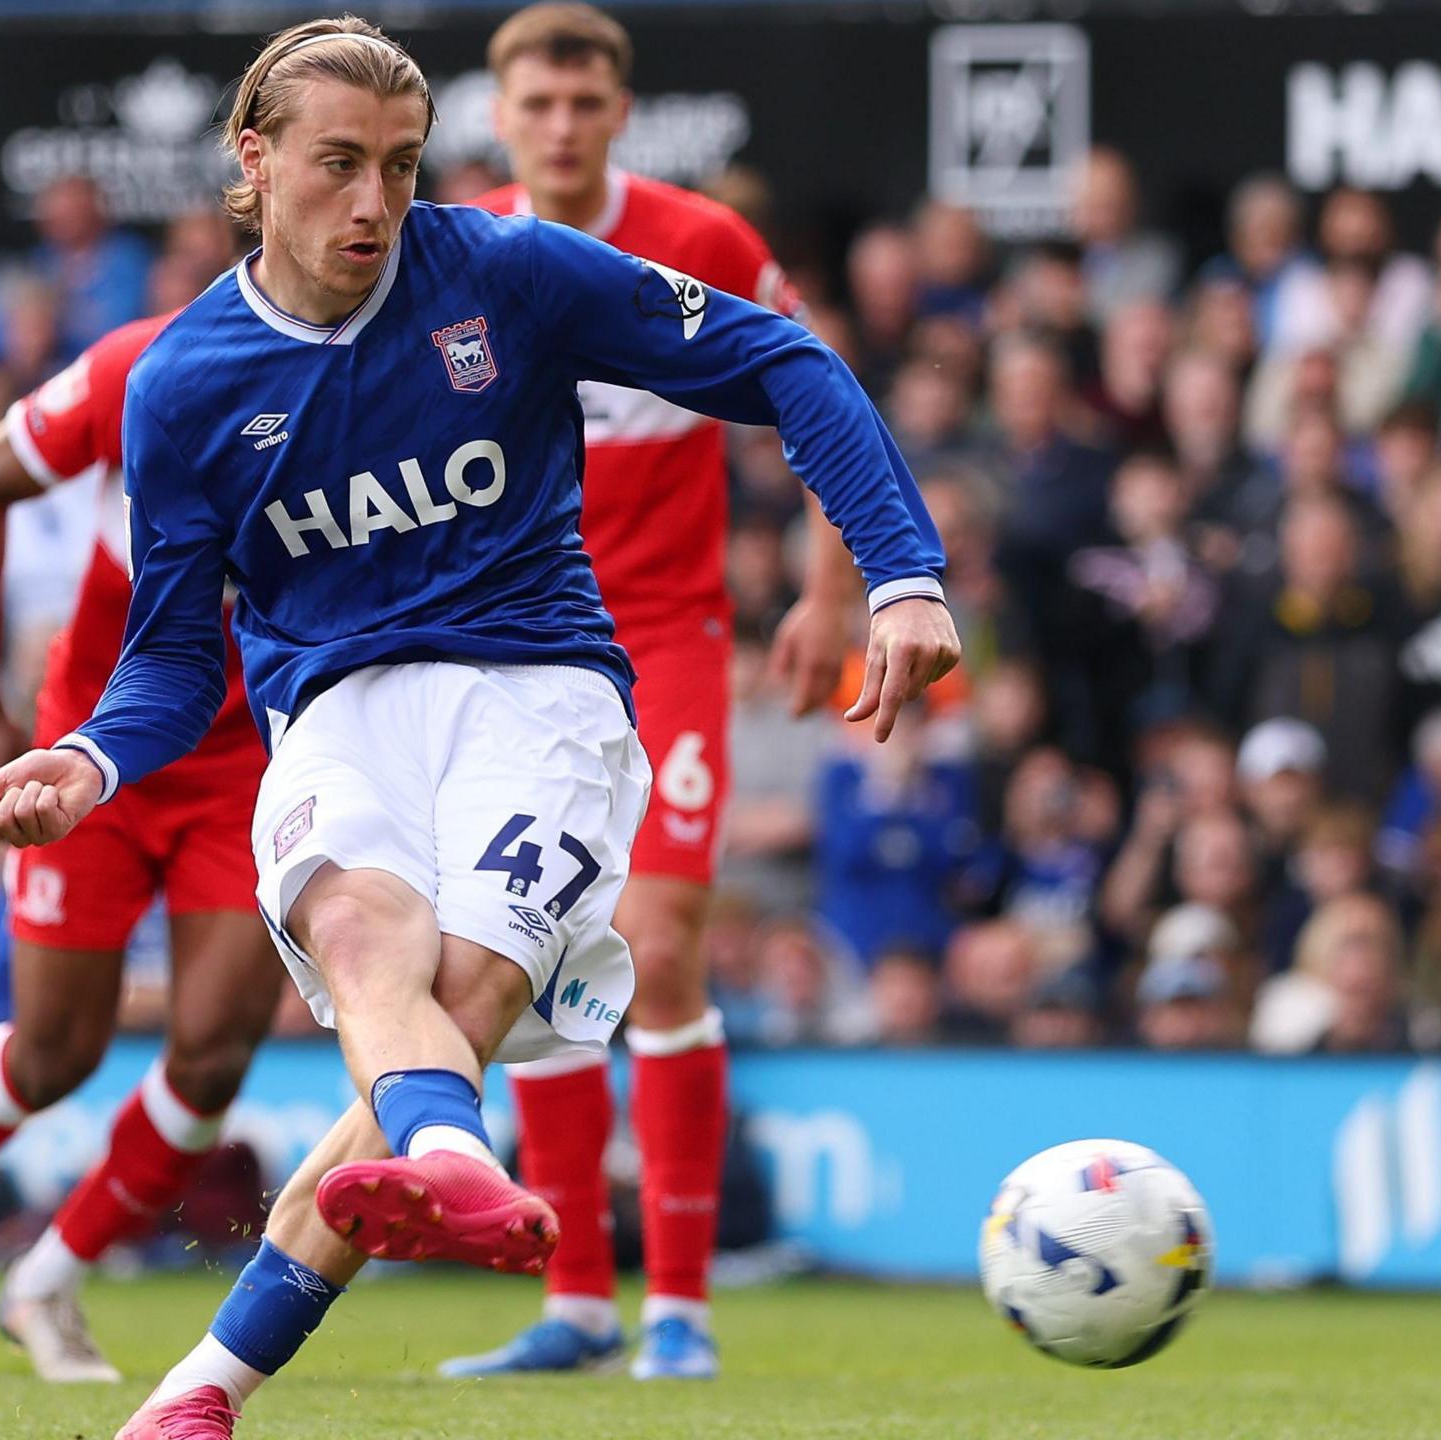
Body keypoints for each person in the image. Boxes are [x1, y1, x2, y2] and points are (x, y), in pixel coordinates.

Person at [0, 21, 955, 1440]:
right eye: (341, 165)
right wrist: (84, 758)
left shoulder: (505, 270)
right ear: (256, 161)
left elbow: (783, 362)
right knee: (371, 943)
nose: (375, 202)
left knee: (465, 990)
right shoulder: (181, 387)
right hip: (340, 711)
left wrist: (899, 575)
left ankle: (331, 1272)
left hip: (540, 694)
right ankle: (275, 1323)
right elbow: (175, 657)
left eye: (403, 167)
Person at [429, 2, 850, 1380]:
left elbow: (815, 386)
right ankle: (576, 1306)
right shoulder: (459, 251)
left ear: (619, 112)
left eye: (583, 104)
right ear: (502, 114)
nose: (558, 127)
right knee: (522, 955)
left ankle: (682, 1309)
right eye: (534, 106)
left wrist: (832, 586)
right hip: (508, 654)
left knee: (658, 946)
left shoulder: (705, 241)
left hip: (664, 641)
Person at [0, 314, 285, 1383]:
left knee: (216, 1049)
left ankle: (48, 1278)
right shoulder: (144, 364)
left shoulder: (378, 382)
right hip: (97, 741)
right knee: (54, 1054)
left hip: (250, 764)